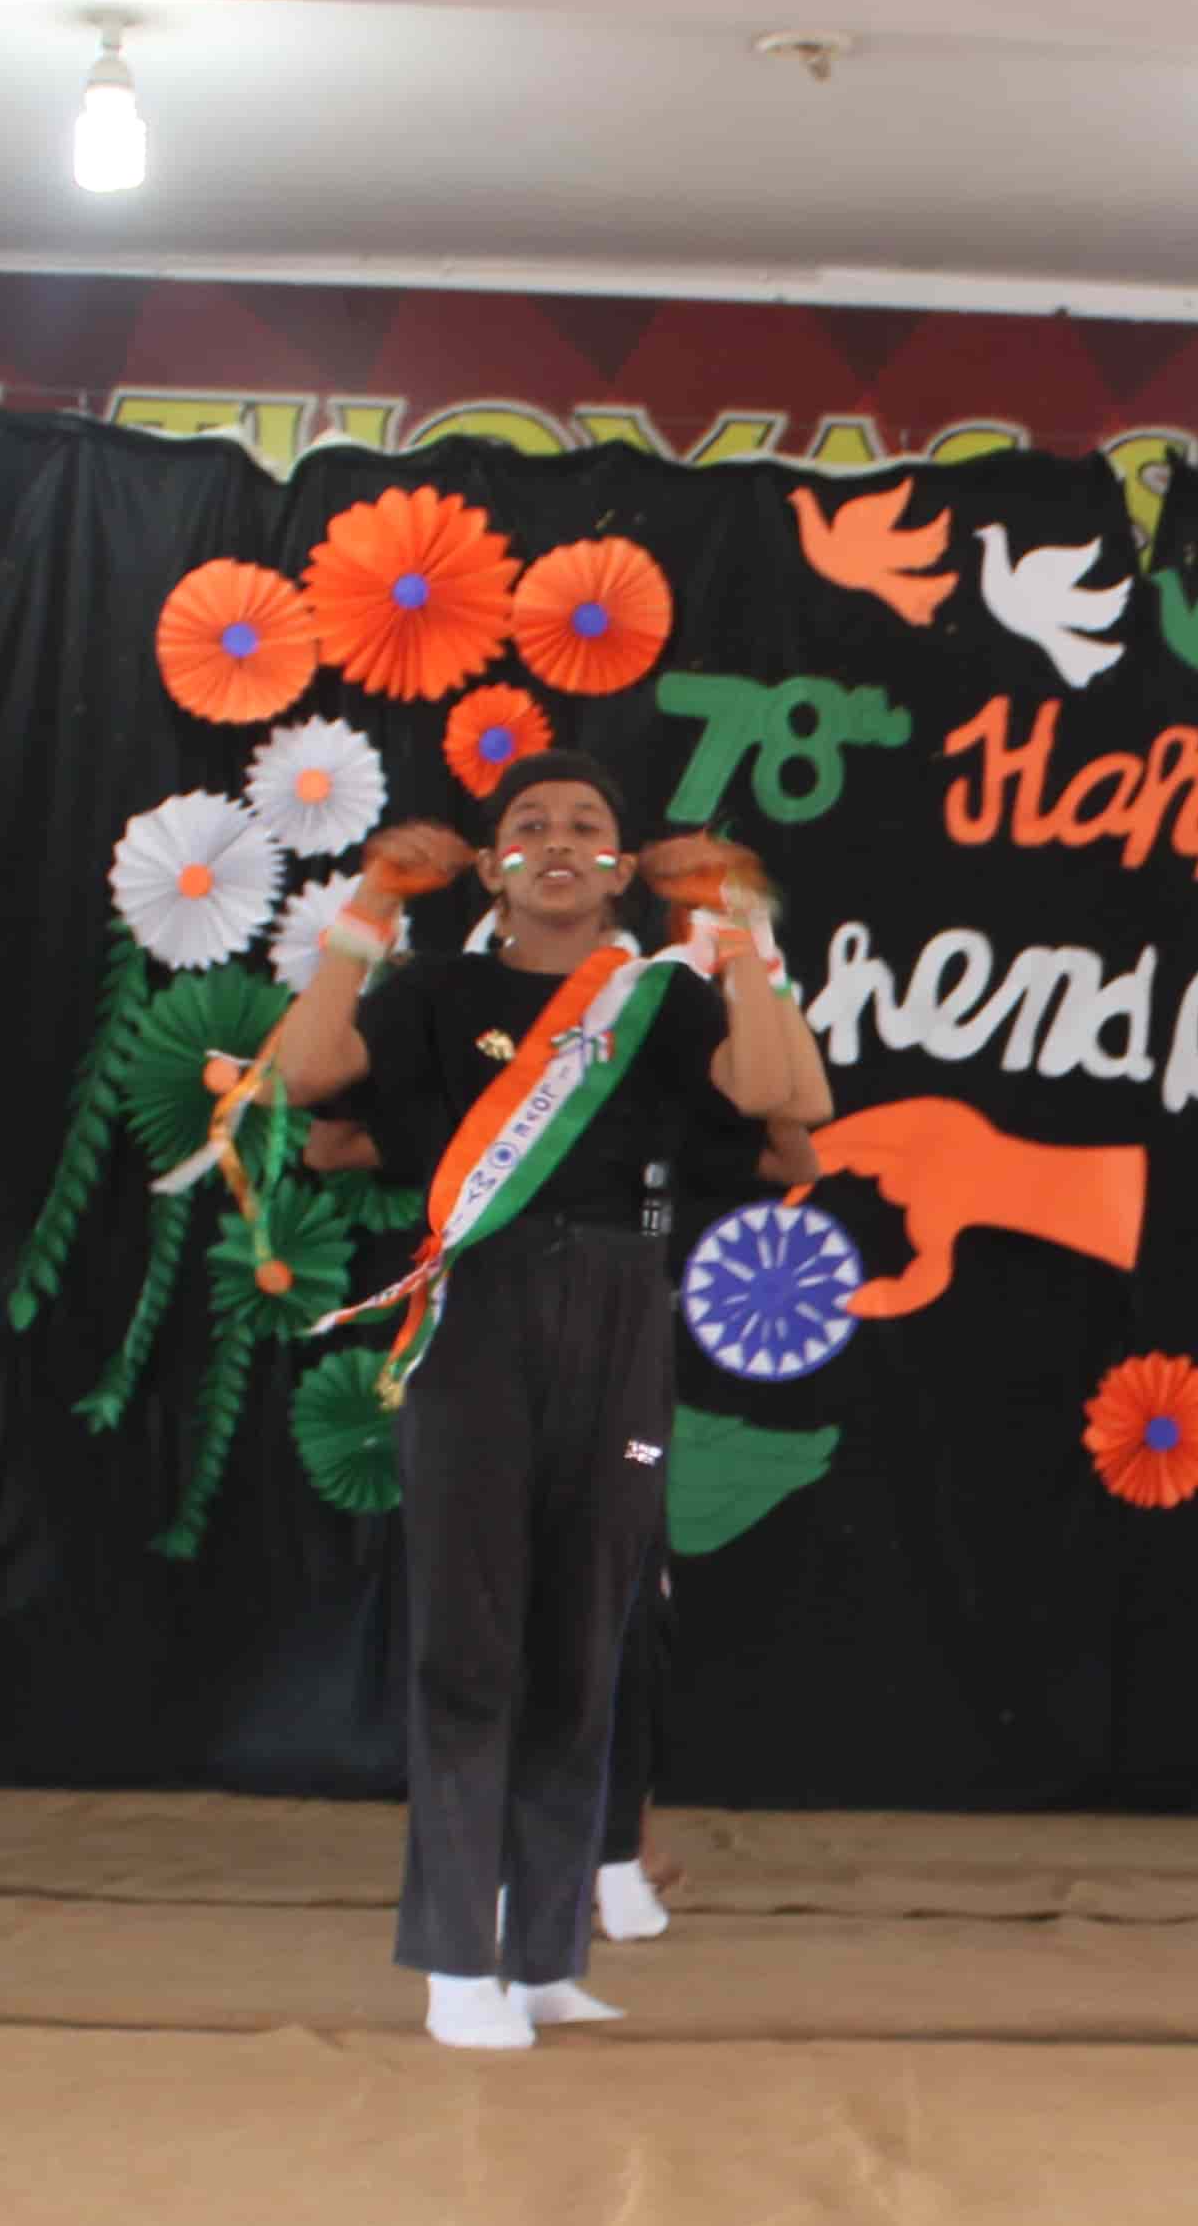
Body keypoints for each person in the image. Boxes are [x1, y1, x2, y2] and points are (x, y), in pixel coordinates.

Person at [258, 757, 828, 2049]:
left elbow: (782, 1099)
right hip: (481, 1313)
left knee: (585, 1645)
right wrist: (371, 907)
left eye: (586, 826)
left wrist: (735, 927)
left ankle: (544, 1956)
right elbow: (304, 1079)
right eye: (529, 826)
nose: (558, 841)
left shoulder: (661, 1000)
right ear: (492, 865)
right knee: (470, 1648)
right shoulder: (438, 995)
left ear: (621, 869)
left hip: (623, 1311)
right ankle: (457, 1965)